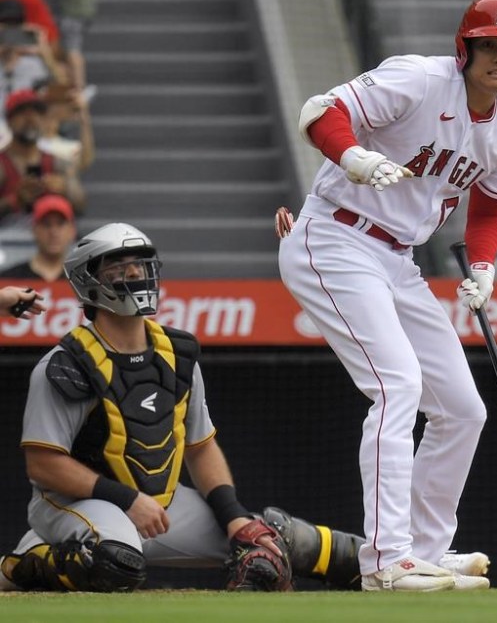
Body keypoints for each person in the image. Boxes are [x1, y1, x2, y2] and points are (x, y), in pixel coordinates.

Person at [276, 0, 497, 593]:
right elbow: (320, 112)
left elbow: (489, 210)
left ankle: (425, 549)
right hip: (336, 237)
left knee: (463, 410)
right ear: (464, 48)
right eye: (489, 44)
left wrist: (487, 265)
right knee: (397, 386)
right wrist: (355, 157)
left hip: (399, 259)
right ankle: (386, 561)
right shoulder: (418, 79)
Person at [0, 222, 366, 593]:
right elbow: (43, 463)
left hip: (160, 502)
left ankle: (370, 562)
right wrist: (128, 500)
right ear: (88, 281)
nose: (132, 274)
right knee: (115, 564)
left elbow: (201, 447)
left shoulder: (176, 354)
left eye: (139, 265)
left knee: (266, 545)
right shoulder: (66, 364)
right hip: (76, 502)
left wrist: (234, 517)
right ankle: (21, 567)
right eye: (118, 267)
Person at [0, 88, 84, 223]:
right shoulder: (2, 164)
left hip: (52, 239)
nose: (30, 118)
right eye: (22, 113)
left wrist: (65, 189)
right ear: (9, 120)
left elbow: (81, 205)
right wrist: (15, 200)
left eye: (37, 113)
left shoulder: (58, 162)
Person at [0, 193, 76, 280]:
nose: (53, 232)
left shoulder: (83, 281)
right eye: (46, 224)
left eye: (60, 224)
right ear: (34, 230)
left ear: (72, 230)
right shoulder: (10, 279)